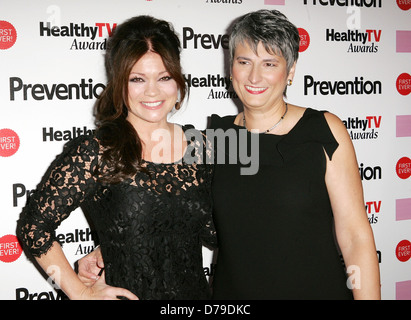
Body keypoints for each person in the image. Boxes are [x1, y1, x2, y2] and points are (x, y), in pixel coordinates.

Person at [78, 9, 381, 300]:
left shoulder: (322, 130)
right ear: (230, 67)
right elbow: (170, 212)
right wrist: (112, 249)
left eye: (270, 63)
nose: (254, 76)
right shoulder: (213, 140)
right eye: (244, 61)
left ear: (290, 71)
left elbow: (355, 236)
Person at [17, 15, 216, 300]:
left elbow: (215, 233)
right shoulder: (98, 151)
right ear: (119, 82)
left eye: (164, 77)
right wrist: (81, 293)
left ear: (177, 79)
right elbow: (33, 226)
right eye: (137, 79)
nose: (152, 91)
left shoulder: (204, 146)